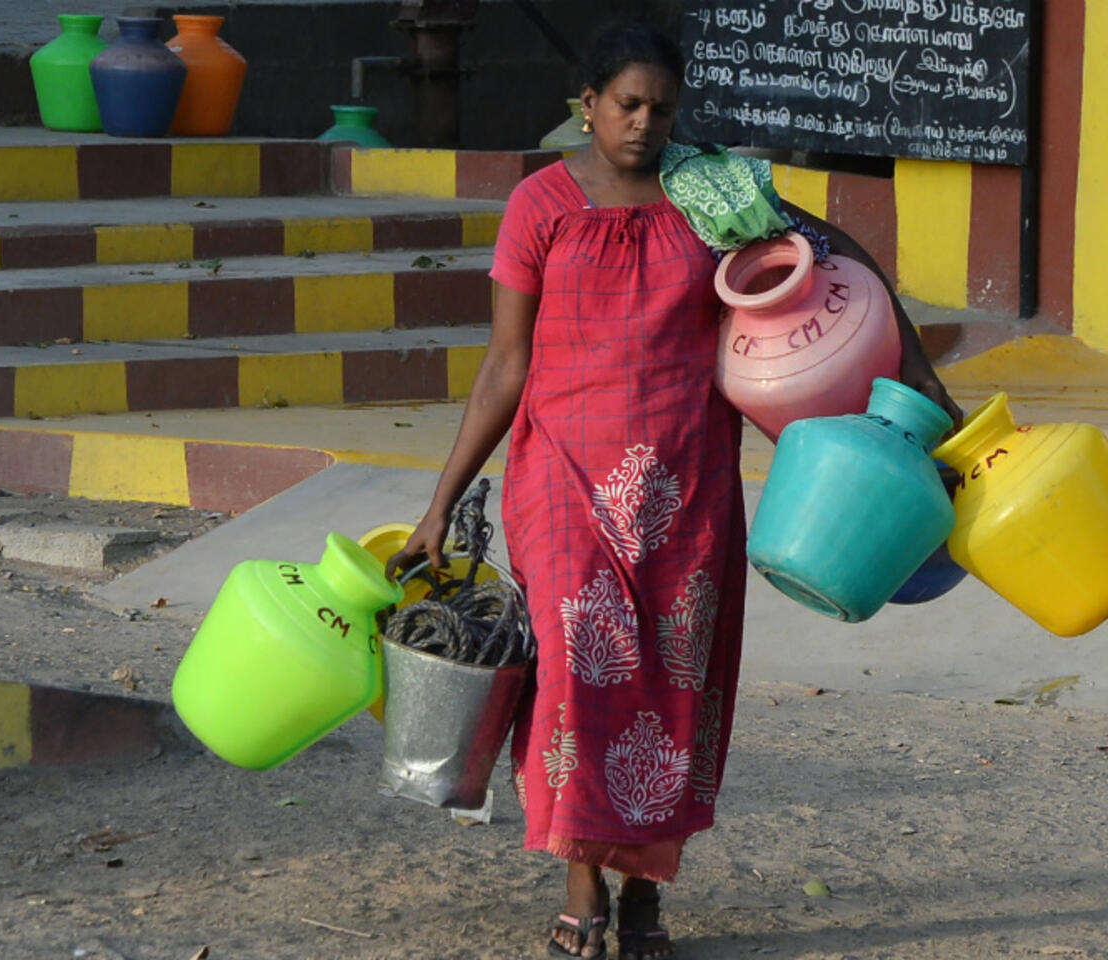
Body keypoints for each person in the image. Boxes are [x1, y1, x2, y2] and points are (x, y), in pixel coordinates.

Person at [388, 22, 961, 960]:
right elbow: (504, 364)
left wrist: (923, 377)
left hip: (687, 480)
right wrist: (441, 502)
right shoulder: (540, 204)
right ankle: (583, 880)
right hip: (562, 472)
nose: (644, 124)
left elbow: (840, 258)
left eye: (661, 108)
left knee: (671, 682)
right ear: (588, 106)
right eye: (627, 105)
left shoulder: (714, 193)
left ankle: (646, 890)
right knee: (576, 666)